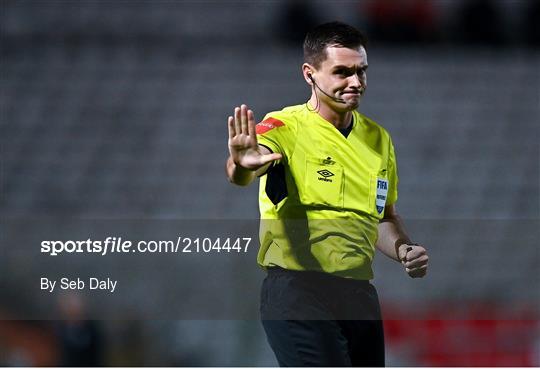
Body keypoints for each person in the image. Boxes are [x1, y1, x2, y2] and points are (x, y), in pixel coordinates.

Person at [225, 21, 429, 367]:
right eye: (342, 72)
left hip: (359, 294)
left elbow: (383, 216)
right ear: (310, 74)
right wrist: (243, 163)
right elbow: (243, 172)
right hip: (298, 291)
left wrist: (403, 248)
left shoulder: (379, 140)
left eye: (361, 72)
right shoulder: (283, 126)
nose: (355, 82)